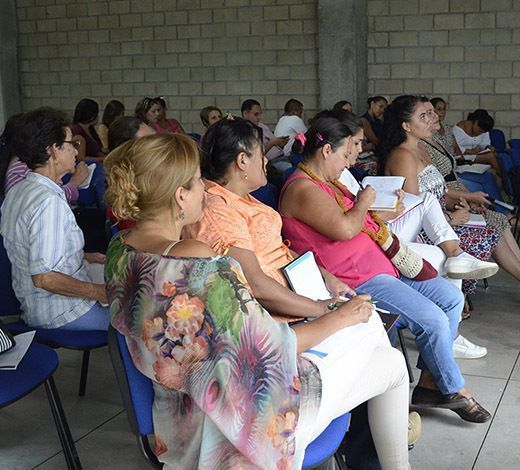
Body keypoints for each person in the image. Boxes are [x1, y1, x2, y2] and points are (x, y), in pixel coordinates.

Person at [105, 133, 411, 469]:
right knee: (383, 349)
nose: (204, 190)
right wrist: (338, 317)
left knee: (378, 348)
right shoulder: (197, 264)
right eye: (197, 183)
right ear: (180, 196)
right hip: (248, 419)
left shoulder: (120, 251)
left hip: (180, 413)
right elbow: (272, 347)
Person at [280, 113, 492, 423]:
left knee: (451, 298)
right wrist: (364, 201)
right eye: (345, 152)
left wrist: (368, 204)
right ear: (326, 151)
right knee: (432, 320)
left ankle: (431, 384)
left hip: (380, 267)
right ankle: (454, 388)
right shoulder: (302, 188)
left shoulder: (329, 183)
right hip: (356, 277)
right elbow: (344, 229)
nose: (349, 161)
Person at [380, 95, 520, 308]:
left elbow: (438, 191)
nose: (431, 119)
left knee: (491, 224)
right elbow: (415, 210)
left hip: (440, 221)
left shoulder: (420, 148)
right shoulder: (402, 156)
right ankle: (463, 298)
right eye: (423, 116)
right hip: (425, 233)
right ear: (406, 126)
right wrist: (452, 218)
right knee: (488, 230)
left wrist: (458, 204)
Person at [0, 108, 108, 331]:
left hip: (36, 304)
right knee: (139, 321)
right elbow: (45, 278)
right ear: (54, 150)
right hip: (61, 311)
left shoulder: (20, 190)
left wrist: (83, 255)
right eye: (72, 145)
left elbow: (32, 250)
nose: (76, 152)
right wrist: (97, 291)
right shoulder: (48, 202)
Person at [430, 97, 507, 211]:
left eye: (444, 109)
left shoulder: (446, 128)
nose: (441, 113)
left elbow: (457, 149)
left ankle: (503, 212)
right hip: (446, 173)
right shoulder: (429, 131)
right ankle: (494, 213)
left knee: (488, 176)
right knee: (478, 187)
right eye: (438, 109)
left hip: (457, 165)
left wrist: (463, 161)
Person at [1, 112, 88, 204]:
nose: (76, 152)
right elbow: (41, 201)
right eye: (71, 144)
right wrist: (74, 183)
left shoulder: (38, 170)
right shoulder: (21, 168)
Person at [241, 98, 290, 170]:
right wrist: (272, 143)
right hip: (270, 163)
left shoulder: (261, 126)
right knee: (289, 169)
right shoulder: (242, 130)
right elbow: (254, 154)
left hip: (282, 156)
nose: (259, 117)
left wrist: (280, 143)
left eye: (260, 114)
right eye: (256, 114)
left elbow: (273, 142)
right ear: (245, 114)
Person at [452, 110, 502, 176]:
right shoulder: (458, 130)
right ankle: (505, 179)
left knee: (495, 163)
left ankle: (503, 179)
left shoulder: (484, 130)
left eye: (482, 133)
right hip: (462, 158)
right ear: (475, 122)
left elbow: (485, 144)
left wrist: (489, 147)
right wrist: (469, 151)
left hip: (476, 156)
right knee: (490, 157)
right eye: (479, 131)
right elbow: (453, 148)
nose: (479, 134)